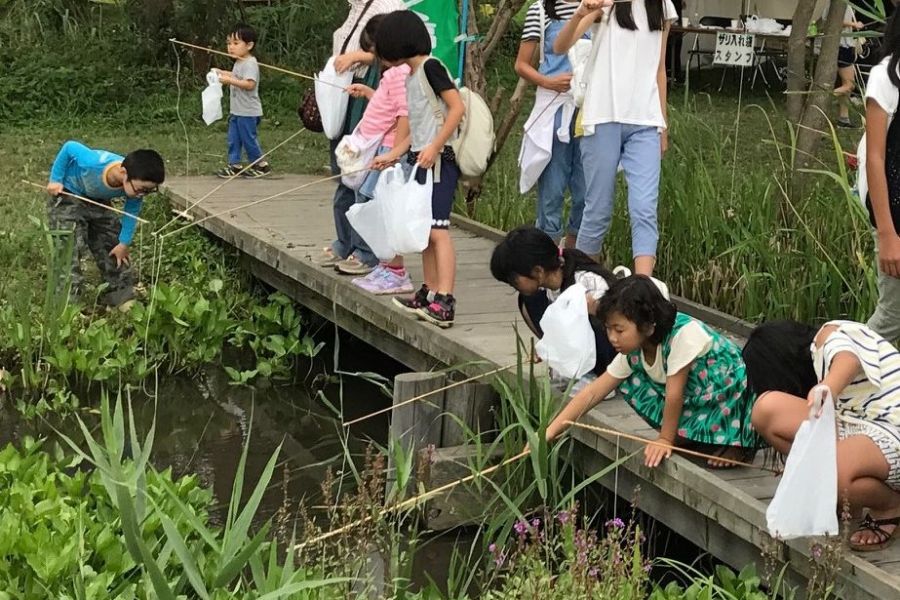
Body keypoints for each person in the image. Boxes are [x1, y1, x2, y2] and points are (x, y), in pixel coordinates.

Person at [544, 275, 761, 469]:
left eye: (619, 330)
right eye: (608, 329)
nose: (612, 338)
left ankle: (738, 443)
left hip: (732, 393)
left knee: (674, 398)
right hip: (700, 397)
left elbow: (674, 395)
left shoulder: (682, 335)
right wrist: (550, 431)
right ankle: (697, 436)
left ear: (647, 326)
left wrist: (665, 439)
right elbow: (593, 392)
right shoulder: (636, 350)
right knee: (629, 381)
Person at [743, 320, 900, 551]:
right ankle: (842, 492)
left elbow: (849, 358)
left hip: (891, 428)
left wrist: (829, 386)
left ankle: (890, 504)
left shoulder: (830, 334)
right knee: (765, 410)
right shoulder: (819, 362)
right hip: (855, 423)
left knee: (827, 471)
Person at [553, 0, 677, 277]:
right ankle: (583, 282)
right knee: (598, 208)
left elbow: (659, 69)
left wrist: (663, 125)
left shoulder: (663, 6)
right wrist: (583, 12)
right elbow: (560, 46)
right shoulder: (605, 3)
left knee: (644, 208)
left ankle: (643, 286)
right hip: (602, 116)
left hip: (646, 121)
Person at [375, 10, 465, 328]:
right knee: (425, 231)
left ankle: (445, 299)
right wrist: (394, 154)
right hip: (421, 159)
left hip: (439, 161)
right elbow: (419, 125)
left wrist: (435, 146)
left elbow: (456, 108)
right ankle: (428, 293)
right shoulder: (413, 76)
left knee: (439, 231)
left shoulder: (430, 67)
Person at [315, 0, 406, 270]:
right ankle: (346, 243)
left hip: (375, 115)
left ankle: (366, 251)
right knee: (346, 172)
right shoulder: (355, 6)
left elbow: (389, 50)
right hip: (352, 93)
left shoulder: (388, 6)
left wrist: (356, 57)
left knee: (363, 182)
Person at [339, 16, 414, 293]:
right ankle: (385, 265)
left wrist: (394, 153)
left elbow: (405, 116)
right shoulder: (391, 75)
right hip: (379, 147)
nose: (372, 55)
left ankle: (396, 270)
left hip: (387, 150)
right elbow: (388, 107)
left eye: (374, 49)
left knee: (383, 207)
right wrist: (370, 92)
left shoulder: (400, 74)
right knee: (368, 201)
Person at [46, 141, 165, 308]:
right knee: (68, 248)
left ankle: (121, 295)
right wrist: (55, 179)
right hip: (67, 194)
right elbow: (69, 147)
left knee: (113, 244)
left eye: (148, 191)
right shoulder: (92, 162)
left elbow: (130, 214)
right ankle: (67, 305)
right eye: (141, 189)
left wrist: (123, 243)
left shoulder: (133, 189)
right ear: (124, 173)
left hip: (97, 200)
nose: (141, 195)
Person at [490, 226, 616, 376]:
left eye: (513, 280)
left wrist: (593, 308)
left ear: (538, 271)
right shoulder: (544, 290)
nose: (512, 285)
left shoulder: (586, 282)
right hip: (577, 350)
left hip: (607, 353)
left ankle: (597, 374)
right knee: (529, 301)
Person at [516, 0, 587, 249]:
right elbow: (522, 63)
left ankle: (574, 257)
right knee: (552, 190)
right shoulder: (540, 10)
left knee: (586, 190)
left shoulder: (597, 8)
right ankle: (547, 258)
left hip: (590, 109)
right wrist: (548, 81)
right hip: (554, 108)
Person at [857, 8, 900, 344]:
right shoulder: (886, 76)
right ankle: (835, 379)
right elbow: (875, 158)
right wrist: (886, 233)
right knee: (891, 317)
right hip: (895, 218)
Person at [214, 24, 271, 178]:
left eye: (236, 43)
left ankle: (261, 165)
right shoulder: (239, 62)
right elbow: (235, 76)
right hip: (237, 111)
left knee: (248, 139)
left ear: (249, 45)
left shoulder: (250, 63)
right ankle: (235, 165)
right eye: (228, 43)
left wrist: (229, 81)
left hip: (248, 112)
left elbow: (249, 84)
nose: (231, 47)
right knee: (234, 138)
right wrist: (221, 73)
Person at [824, 0, 864, 128]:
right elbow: (831, 20)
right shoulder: (836, 3)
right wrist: (854, 24)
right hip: (842, 46)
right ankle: (818, 101)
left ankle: (844, 119)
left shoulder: (846, 3)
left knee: (847, 85)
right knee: (849, 85)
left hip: (846, 45)